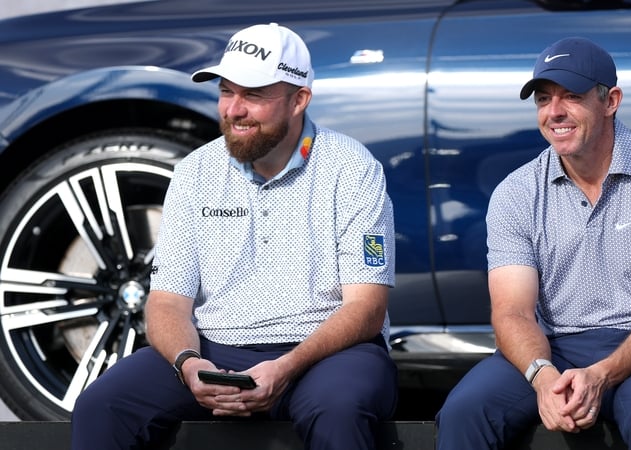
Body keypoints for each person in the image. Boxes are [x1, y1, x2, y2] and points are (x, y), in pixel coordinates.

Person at [71, 23, 397, 450]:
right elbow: (167, 301)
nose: (234, 110)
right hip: (214, 351)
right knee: (102, 406)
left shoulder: (353, 169)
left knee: (339, 408)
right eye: (227, 91)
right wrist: (189, 364)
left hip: (327, 353)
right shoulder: (195, 172)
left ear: (299, 100)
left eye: (254, 95)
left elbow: (367, 308)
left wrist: (287, 366)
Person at [435, 37, 631, 450]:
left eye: (572, 97)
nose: (554, 113)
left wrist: (600, 374)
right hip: (553, 348)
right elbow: (511, 312)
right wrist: (543, 377)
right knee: (465, 409)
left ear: (611, 100)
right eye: (544, 99)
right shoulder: (515, 193)